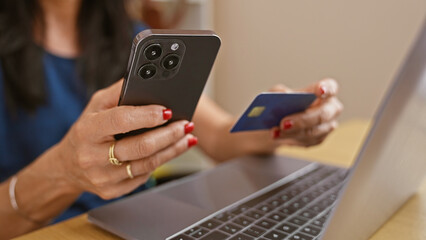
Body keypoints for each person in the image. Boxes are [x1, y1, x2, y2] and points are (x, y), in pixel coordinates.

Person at [0, 0, 343, 238]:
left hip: (132, 227)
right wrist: (64, 171)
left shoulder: (132, 36)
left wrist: (279, 123)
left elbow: (220, 136)